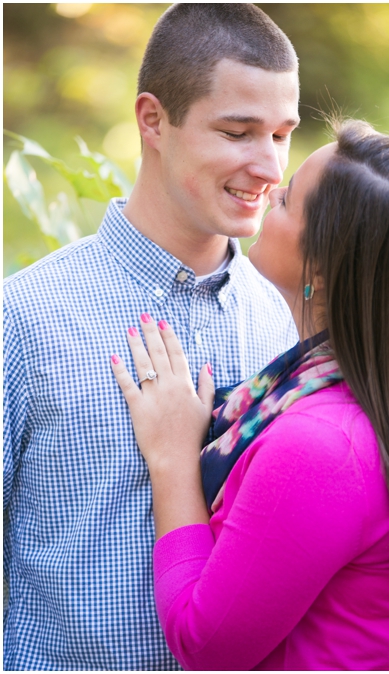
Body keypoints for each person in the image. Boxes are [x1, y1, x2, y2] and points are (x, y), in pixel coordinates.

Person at [3, 5, 301, 669]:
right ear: (152, 120)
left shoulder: (281, 322)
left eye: (282, 135)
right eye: (238, 132)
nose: (270, 166)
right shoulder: (24, 316)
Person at [109, 119, 389, 670]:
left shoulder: (323, 447)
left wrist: (172, 459)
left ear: (322, 264)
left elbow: (207, 646)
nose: (269, 190)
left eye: (287, 200)